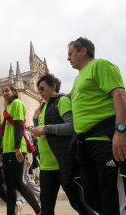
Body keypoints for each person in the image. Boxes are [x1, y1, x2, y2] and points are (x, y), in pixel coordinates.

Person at [67, 37, 126, 215]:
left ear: (83, 51)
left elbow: (120, 94)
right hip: (86, 143)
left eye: (70, 53)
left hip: (105, 140)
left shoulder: (100, 65)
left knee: (112, 197)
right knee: (91, 196)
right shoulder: (78, 78)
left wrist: (121, 131)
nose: (68, 58)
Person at [31, 73, 94, 215]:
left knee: (78, 203)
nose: (39, 92)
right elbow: (42, 132)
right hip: (46, 166)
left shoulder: (62, 101)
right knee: (46, 208)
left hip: (63, 163)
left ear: (53, 86)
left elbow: (71, 126)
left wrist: (46, 129)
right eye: (38, 89)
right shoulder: (43, 108)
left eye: (42, 88)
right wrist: (35, 121)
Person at [0, 85, 41, 215]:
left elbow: (18, 126)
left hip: (16, 148)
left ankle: (39, 211)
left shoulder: (17, 103)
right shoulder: (8, 107)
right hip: (7, 149)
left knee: (18, 182)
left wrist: (17, 148)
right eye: (3, 92)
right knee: (9, 184)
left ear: (14, 92)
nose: (4, 93)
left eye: (7, 90)